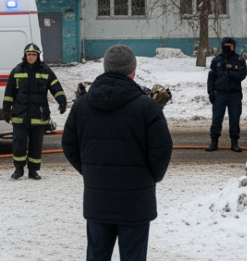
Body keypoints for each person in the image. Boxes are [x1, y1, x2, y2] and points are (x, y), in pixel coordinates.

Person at [62, 45, 173, 261]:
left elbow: (69, 144)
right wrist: (151, 177)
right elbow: (161, 149)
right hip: (136, 201)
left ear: (105, 68)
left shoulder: (82, 105)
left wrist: (90, 170)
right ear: (133, 71)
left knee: (97, 255)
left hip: (97, 198)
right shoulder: (148, 107)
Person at [2, 42, 68, 180]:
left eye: (33, 54)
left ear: (38, 56)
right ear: (25, 56)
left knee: (36, 145)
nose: (31, 57)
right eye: (28, 55)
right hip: (20, 115)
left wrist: (62, 101)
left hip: (38, 115)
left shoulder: (45, 71)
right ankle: (18, 170)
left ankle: (33, 171)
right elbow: (9, 92)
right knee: (19, 144)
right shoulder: (17, 71)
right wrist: (6, 110)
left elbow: (55, 86)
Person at [205, 37, 247, 153]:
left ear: (234, 46)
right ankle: (214, 141)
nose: (228, 47)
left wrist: (230, 71)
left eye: (230, 45)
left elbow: (242, 74)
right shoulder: (217, 60)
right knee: (217, 118)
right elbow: (211, 77)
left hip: (234, 94)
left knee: (234, 118)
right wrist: (211, 92)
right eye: (226, 45)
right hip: (220, 94)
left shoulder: (239, 59)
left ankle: (234, 142)